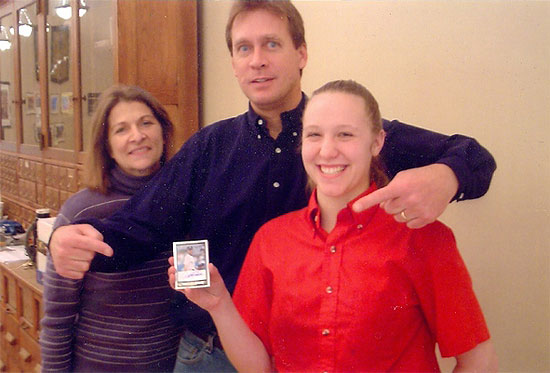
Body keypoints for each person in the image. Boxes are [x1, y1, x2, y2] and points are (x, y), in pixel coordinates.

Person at [48, 1, 497, 371]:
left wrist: (447, 176)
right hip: (210, 353)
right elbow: (140, 226)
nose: (257, 58)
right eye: (244, 48)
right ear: (233, 63)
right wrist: (74, 243)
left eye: (272, 44)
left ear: (301, 53)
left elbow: (473, 156)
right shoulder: (209, 147)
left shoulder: (346, 133)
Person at [171, 79, 498, 372]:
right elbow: (258, 367)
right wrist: (219, 306)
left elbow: (478, 359)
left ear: (377, 142)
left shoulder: (422, 235)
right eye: (314, 134)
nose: (328, 151)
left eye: (345, 134)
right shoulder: (271, 240)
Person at [39, 85, 184, 372]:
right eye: (121, 129)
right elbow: (57, 316)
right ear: (106, 144)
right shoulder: (81, 211)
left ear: (162, 131)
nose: (137, 136)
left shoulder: (184, 199)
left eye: (146, 123)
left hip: (173, 364)